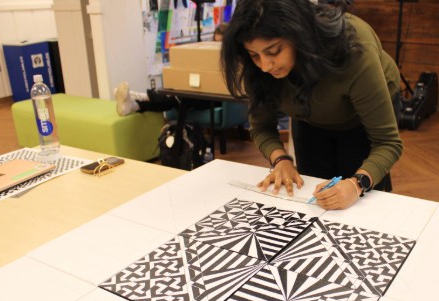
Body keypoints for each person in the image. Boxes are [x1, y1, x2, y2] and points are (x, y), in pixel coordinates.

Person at [220, 0, 403, 210]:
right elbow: (261, 127)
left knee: (363, 201)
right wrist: (281, 160)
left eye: (274, 51)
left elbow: (387, 143)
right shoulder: (259, 68)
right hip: (308, 116)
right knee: (314, 192)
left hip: (361, 120)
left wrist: (356, 184)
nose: (265, 66)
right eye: (254, 55)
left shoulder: (354, 50)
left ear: (299, 36)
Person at [115, 23, 229, 117]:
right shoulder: (207, 55)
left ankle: (138, 97)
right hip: (199, 92)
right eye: (215, 42)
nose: (217, 45)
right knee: (174, 99)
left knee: (177, 98)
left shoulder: (232, 59)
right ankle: (135, 105)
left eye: (220, 42)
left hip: (217, 99)